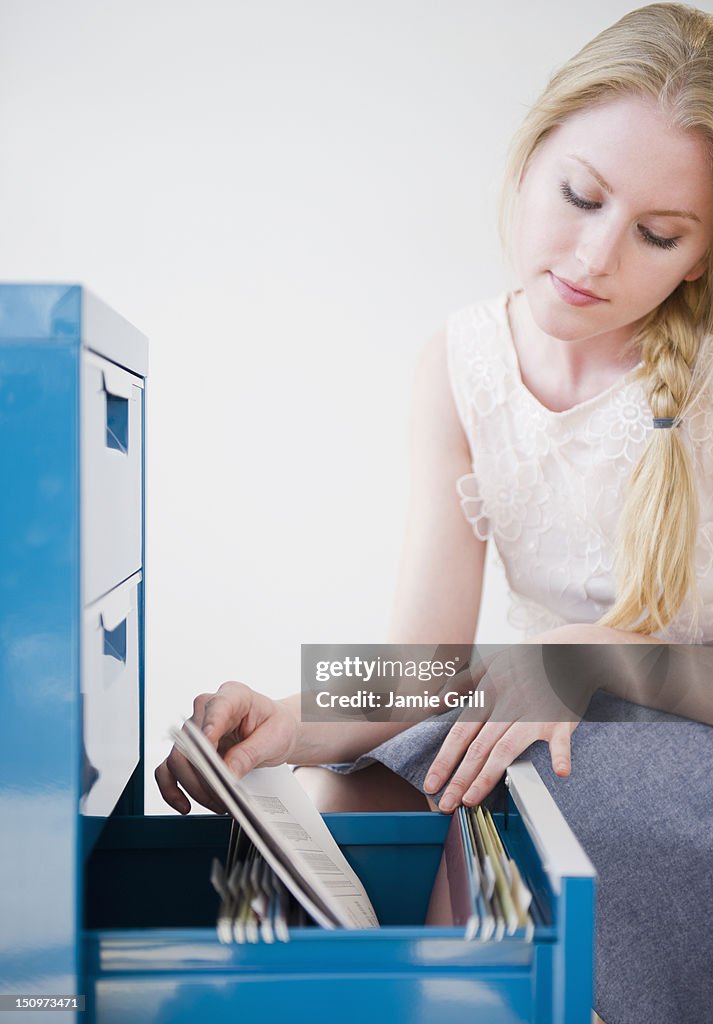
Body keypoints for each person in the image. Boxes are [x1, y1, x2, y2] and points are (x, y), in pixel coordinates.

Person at [156, 5, 713, 1022]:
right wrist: (289, 715)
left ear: (698, 258)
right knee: (369, 776)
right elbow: (426, 655)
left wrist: (595, 657)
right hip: (556, 703)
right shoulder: (460, 361)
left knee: (506, 795)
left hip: (677, 732)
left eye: (655, 233)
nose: (592, 257)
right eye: (578, 195)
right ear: (530, 150)